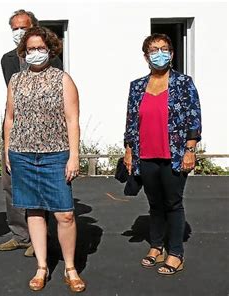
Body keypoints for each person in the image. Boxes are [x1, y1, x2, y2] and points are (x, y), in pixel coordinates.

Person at [3, 27, 85, 292]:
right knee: (34, 211)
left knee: (65, 214)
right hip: (22, 154)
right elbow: (10, 118)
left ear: (50, 49)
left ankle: (70, 268)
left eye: (40, 48)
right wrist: (6, 150)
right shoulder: (16, 80)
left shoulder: (63, 79)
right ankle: (42, 266)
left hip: (56, 155)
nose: (35, 53)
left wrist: (74, 156)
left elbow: (73, 120)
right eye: (30, 49)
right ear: (23, 53)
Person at [123, 33, 202, 275]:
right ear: (146, 56)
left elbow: (193, 117)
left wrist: (190, 149)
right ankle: (156, 246)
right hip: (145, 154)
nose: (160, 53)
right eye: (154, 50)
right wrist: (128, 150)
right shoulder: (137, 86)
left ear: (172, 53)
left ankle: (175, 252)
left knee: (173, 203)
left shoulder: (184, 83)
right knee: (154, 204)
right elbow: (131, 120)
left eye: (164, 48)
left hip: (175, 154)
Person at [0, 9, 63, 257]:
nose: (19, 32)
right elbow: (15, 92)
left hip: (45, 132)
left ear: (34, 26)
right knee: (11, 183)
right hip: (16, 129)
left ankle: (41, 237)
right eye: (15, 28)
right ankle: (20, 235)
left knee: (40, 185)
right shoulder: (7, 60)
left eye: (23, 27)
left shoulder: (52, 58)